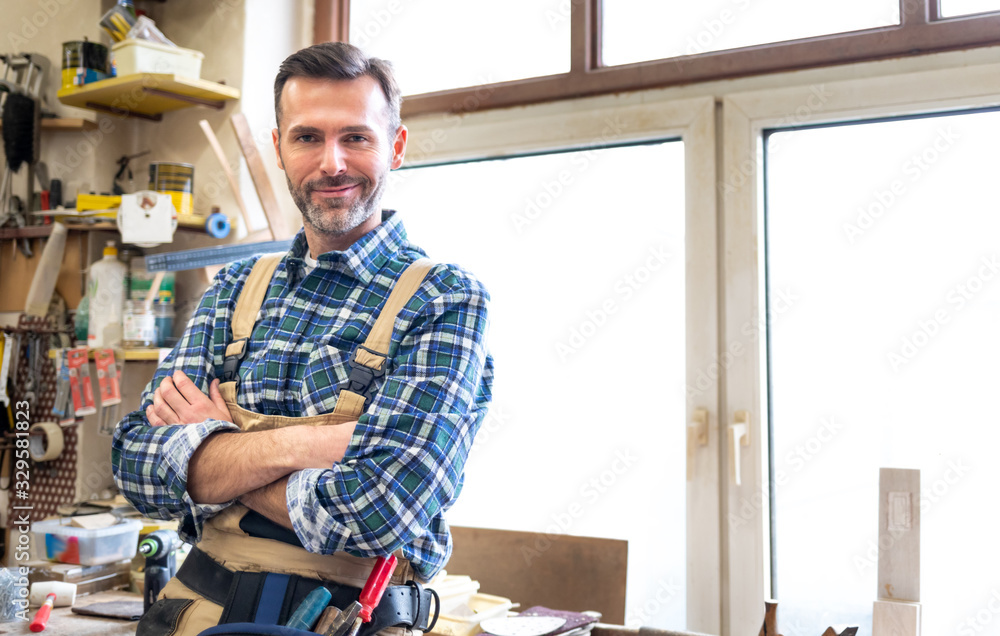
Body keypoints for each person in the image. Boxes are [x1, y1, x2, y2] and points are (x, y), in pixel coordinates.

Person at [112, 42, 493, 636]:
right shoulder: (237, 289)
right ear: (280, 149)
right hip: (192, 614)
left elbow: (378, 511)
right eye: (308, 137)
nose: (332, 162)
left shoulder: (442, 300)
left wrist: (215, 450)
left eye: (357, 138)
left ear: (395, 146)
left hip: (351, 622)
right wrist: (308, 448)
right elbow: (134, 464)